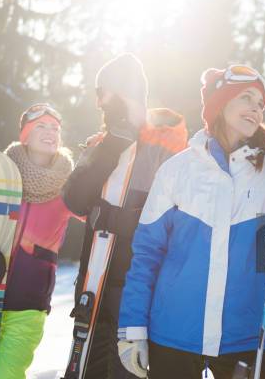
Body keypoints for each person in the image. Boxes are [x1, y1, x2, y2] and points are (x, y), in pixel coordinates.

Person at [116, 65, 265, 379]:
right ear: (219, 103)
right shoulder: (178, 170)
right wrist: (132, 328)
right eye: (246, 97)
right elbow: (146, 254)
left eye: (260, 103)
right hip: (173, 333)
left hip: (244, 336)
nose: (256, 107)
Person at [62, 53, 189, 378]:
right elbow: (75, 200)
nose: (99, 102)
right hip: (94, 293)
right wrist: (110, 148)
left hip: (137, 300)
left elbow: (177, 224)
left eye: (102, 92)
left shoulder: (166, 148)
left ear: (123, 92)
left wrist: (123, 220)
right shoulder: (103, 144)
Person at [0, 103, 78, 378]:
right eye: (41, 125)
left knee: (6, 374)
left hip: (28, 302)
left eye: (55, 127)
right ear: (25, 135)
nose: (50, 131)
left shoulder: (70, 187)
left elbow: (101, 212)